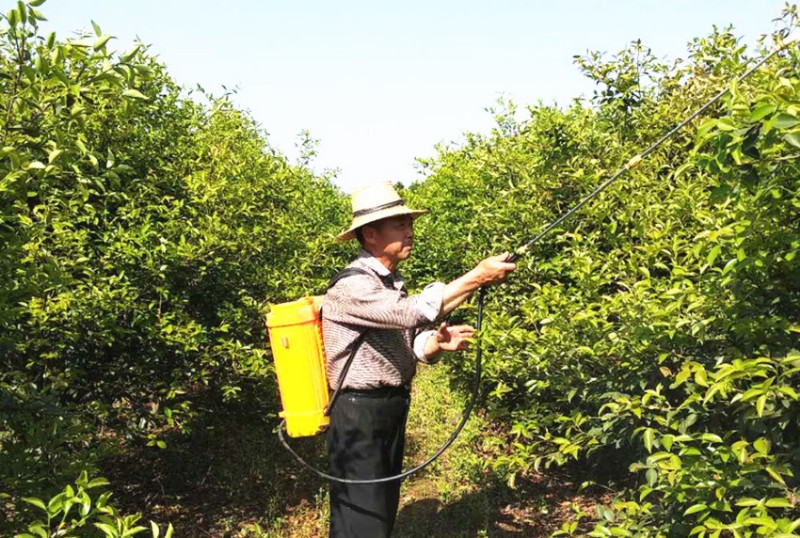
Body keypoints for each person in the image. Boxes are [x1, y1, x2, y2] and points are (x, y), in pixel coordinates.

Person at [322, 181, 516, 538]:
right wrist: (477, 277)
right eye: (400, 224)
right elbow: (413, 313)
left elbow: (409, 341)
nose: (410, 231)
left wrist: (435, 345)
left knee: (379, 511)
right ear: (370, 234)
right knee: (359, 518)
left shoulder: (390, 281)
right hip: (358, 412)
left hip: (388, 406)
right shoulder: (352, 286)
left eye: (409, 223)